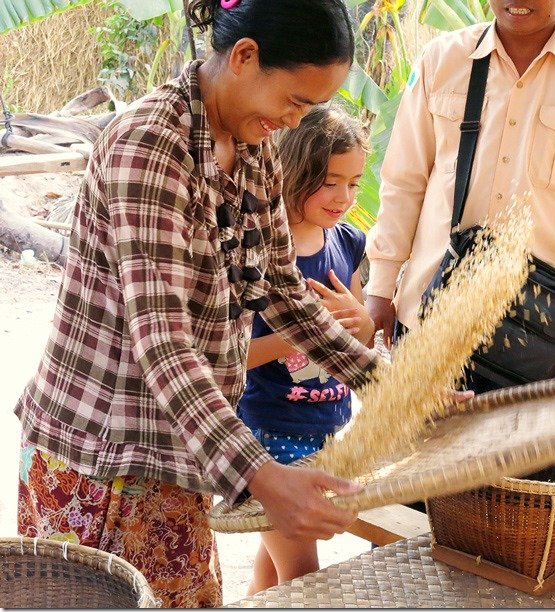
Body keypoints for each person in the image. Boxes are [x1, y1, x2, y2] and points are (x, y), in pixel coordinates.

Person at [15, 0, 385, 606]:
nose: (294, 122)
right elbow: (163, 341)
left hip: (179, 451)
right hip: (104, 462)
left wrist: (393, 383)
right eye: (294, 101)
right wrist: (265, 478)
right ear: (244, 57)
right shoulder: (151, 148)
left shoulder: (252, 143)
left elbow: (284, 291)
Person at [365, 0, 555, 388]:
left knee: (515, 450)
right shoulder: (441, 60)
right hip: (428, 314)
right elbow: (403, 182)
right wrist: (380, 286)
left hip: (534, 331)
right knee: (420, 445)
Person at [236, 106, 374, 594]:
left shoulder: (348, 242)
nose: (344, 198)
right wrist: (304, 332)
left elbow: (359, 339)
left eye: (354, 183)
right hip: (270, 433)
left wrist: (363, 321)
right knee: (304, 578)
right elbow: (237, 354)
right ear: (293, 171)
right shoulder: (262, 252)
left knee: (274, 574)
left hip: (328, 426)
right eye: (330, 182)